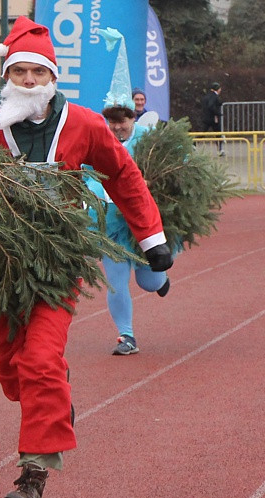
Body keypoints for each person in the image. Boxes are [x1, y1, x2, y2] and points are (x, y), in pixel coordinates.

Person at [0, 16, 172, 498]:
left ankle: (33, 476)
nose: (28, 81)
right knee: (12, 368)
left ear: (53, 77)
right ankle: (54, 396)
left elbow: (124, 175)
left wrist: (151, 237)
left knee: (40, 361)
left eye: (37, 73)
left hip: (57, 262)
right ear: (7, 74)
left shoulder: (86, 125)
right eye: (20, 72)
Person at [86, 103, 171, 356]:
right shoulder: (98, 142)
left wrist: (151, 181)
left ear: (133, 118)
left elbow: (179, 167)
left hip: (145, 227)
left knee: (150, 282)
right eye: (111, 122)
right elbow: (85, 174)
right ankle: (127, 336)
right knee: (116, 283)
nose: (117, 127)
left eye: (122, 121)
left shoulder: (149, 141)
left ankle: (162, 279)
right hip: (111, 227)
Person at [201, 82, 224, 155]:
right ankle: (220, 150)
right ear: (217, 89)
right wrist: (218, 113)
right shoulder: (214, 96)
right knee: (218, 134)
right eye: (219, 88)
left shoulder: (207, 96)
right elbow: (211, 106)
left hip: (206, 117)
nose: (220, 90)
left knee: (202, 133)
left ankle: (193, 144)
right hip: (213, 118)